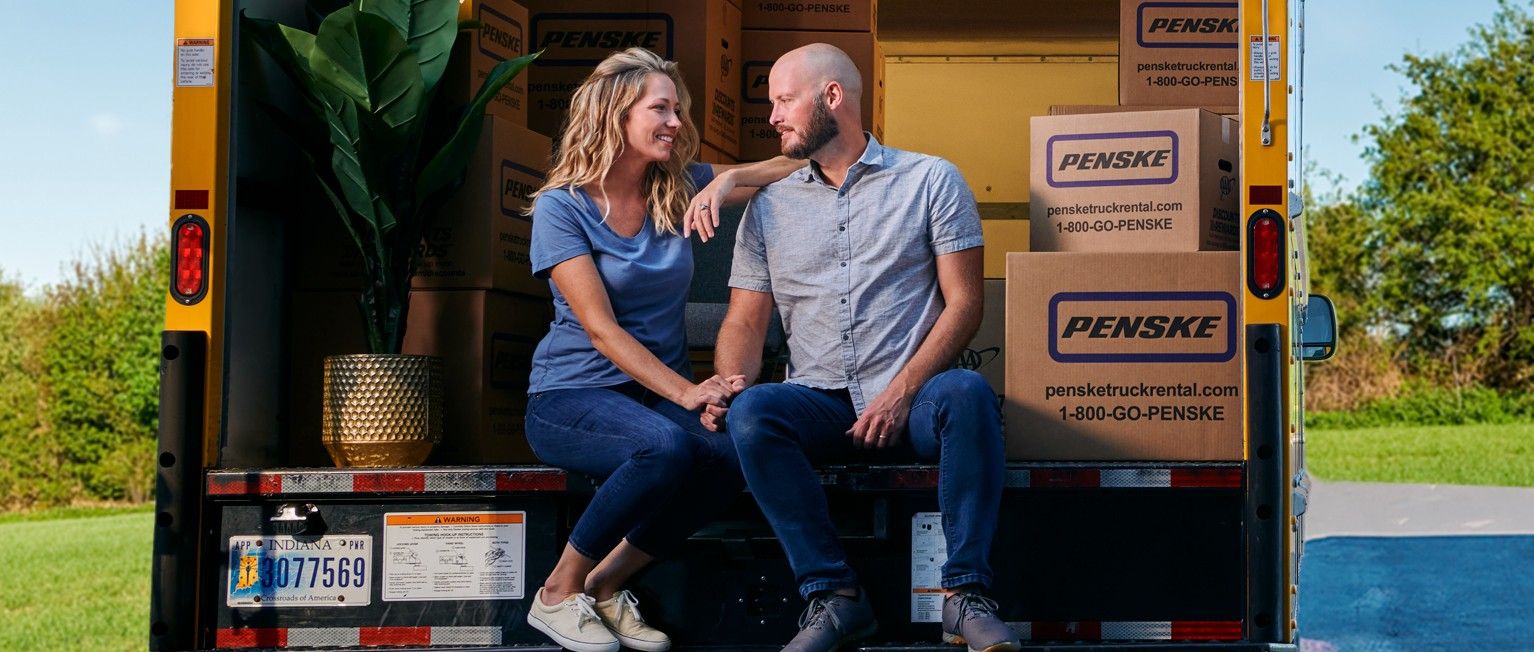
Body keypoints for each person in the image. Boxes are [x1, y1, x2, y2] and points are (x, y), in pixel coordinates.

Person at [701, 44, 1022, 652]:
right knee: (753, 413)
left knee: (969, 393)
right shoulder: (768, 207)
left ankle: (964, 597)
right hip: (819, 400)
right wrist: (728, 386)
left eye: (782, 100)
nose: (771, 117)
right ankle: (834, 596)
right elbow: (746, 320)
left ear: (831, 97)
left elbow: (966, 304)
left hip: (915, 398)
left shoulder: (931, 179)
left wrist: (900, 393)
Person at [522, 47, 801, 652]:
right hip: (570, 395)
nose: (676, 122)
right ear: (615, 115)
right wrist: (687, 391)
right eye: (661, 109)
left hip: (651, 395)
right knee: (665, 448)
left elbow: (790, 165)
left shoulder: (677, 187)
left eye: (677, 109)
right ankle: (556, 593)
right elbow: (602, 330)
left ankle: (603, 586)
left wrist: (729, 178)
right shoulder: (561, 208)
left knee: (730, 456)